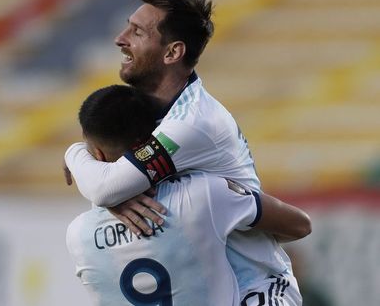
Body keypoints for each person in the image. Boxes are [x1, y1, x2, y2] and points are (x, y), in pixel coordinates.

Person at [64, 0, 311, 305]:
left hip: (257, 290)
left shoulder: (192, 123)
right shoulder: (142, 107)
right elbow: (107, 176)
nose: (120, 39)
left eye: (137, 32)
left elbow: (104, 187)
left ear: (172, 52)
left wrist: (76, 155)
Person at [66, 85, 308, 305]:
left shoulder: (78, 235)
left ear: (95, 156)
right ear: (154, 138)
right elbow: (299, 225)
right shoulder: (203, 195)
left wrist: (75, 154)